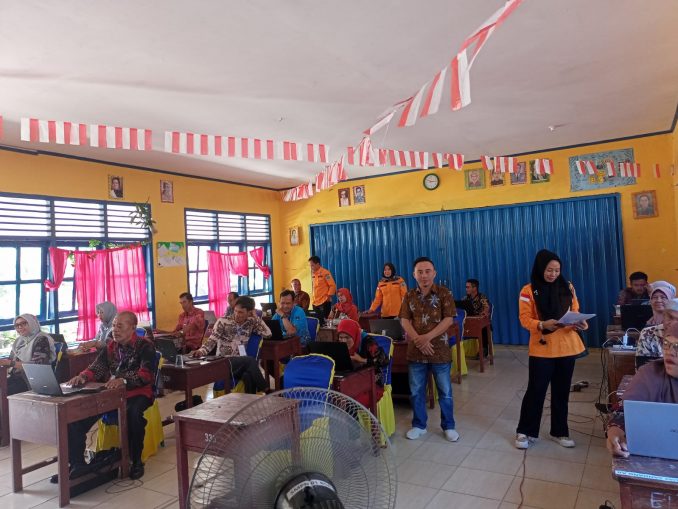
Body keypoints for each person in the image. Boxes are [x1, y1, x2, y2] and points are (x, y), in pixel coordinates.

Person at [66, 311, 156, 480]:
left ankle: (136, 461)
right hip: (112, 392)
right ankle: (77, 464)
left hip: (138, 391)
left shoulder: (145, 346)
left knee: (133, 415)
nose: (115, 329)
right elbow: (96, 367)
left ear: (133, 328)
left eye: (120, 326)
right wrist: (83, 377)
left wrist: (124, 380)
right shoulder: (111, 346)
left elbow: (146, 375)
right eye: (114, 325)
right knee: (76, 417)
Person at [515, 249, 588, 450]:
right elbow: (524, 319)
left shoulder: (568, 286)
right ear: (540, 268)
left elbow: (575, 310)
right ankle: (525, 431)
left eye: (557, 270)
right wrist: (541, 324)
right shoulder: (528, 290)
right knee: (536, 391)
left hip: (567, 347)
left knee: (562, 391)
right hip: (542, 349)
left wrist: (580, 322)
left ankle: (560, 432)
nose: (553, 274)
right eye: (549, 270)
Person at [399, 257, 459, 442]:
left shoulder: (444, 293)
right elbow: (404, 320)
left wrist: (427, 338)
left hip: (439, 351)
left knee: (445, 392)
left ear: (434, 273)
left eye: (427, 271)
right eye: (420, 272)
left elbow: (449, 319)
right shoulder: (409, 295)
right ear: (414, 274)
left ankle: (448, 426)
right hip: (416, 352)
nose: (424, 275)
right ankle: (419, 425)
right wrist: (419, 340)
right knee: (416, 391)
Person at [607, 334, 678, 457]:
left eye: (677, 346)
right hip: (658, 455)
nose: (669, 352)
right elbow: (622, 410)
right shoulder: (651, 373)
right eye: (666, 344)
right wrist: (616, 430)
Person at [192, 296, 270, 394]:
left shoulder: (251, 322)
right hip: (224, 362)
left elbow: (268, 334)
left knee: (248, 375)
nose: (237, 314)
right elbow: (212, 340)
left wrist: (256, 317)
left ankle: (251, 401)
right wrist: (201, 351)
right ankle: (266, 390)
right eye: (235, 311)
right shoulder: (223, 321)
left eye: (241, 312)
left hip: (240, 363)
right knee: (250, 360)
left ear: (249, 312)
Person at [0, 314, 56, 395]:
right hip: (16, 378)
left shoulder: (42, 339)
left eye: (24, 323)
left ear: (32, 323)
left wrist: (8, 363)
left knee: (3, 392)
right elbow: (10, 360)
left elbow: (37, 366)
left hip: (32, 381)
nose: (20, 327)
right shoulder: (19, 341)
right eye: (17, 325)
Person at [336, 319, 388, 406]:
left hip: (371, 385)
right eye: (341, 337)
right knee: (334, 399)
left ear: (354, 335)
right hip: (351, 382)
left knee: (350, 403)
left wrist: (361, 360)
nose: (343, 341)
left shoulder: (368, 342)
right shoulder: (339, 344)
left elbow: (384, 360)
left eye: (347, 337)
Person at [635, 298, 678, 368]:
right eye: (670, 317)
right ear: (663, 316)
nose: (673, 323)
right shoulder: (648, 334)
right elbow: (642, 368)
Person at [462, 279, 491, 357]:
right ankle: (459, 350)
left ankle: (484, 349)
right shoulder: (465, 298)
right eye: (466, 287)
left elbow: (486, 307)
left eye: (468, 287)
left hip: (480, 322)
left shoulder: (482, 297)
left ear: (474, 288)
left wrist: (484, 312)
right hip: (468, 322)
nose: (466, 289)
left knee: (483, 328)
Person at [309, 256, 336, 320]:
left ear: (317, 264)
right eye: (310, 265)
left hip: (324, 301)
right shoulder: (313, 274)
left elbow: (332, 285)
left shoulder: (326, 273)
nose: (310, 267)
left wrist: (328, 297)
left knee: (325, 321)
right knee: (318, 321)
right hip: (315, 302)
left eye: (312, 265)